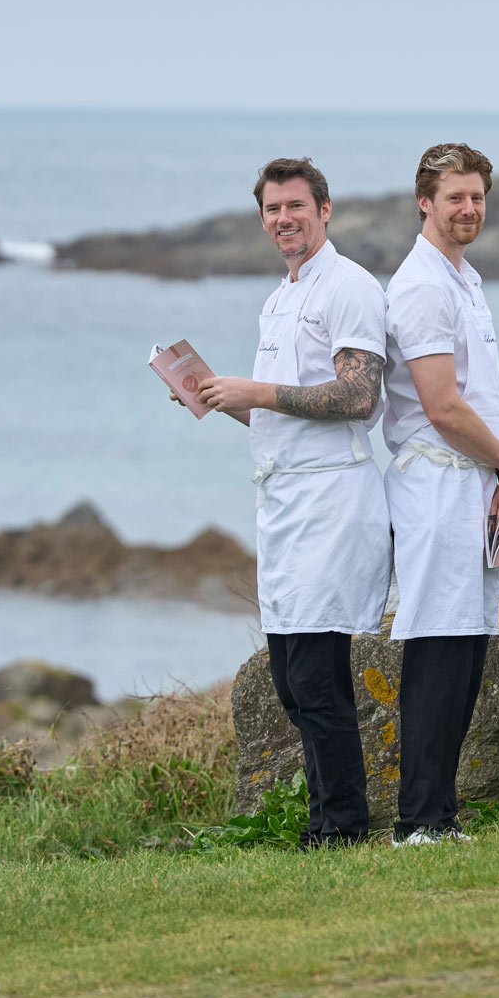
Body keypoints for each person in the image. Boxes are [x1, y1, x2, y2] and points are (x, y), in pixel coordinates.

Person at [192, 157, 389, 846]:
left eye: (296, 206)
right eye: (272, 209)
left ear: (325, 209)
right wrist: (222, 401)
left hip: (333, 501)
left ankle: (341, 830)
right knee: (290, 683)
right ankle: (324, 822)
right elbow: (283, 411)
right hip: (285, 504)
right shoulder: (280, 299)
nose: (284, 219)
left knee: (316, 679)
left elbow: (360, 397)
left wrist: (256, 392)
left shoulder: (350, 287)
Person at [379, 142, 499, 846]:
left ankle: (441, 813)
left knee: (467, 646)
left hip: (470, 480)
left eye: (476, 197)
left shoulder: (462, 279)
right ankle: (418, 820)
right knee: (439, 652)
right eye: (454, 198)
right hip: (437, 486)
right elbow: (442, 407)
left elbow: (478, 395)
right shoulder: (422, 286)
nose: (468, 209)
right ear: (425, 202)